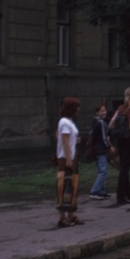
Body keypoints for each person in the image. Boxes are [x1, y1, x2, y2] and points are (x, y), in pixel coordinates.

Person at [56, 97, 82, 227]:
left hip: (72, 155)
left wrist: (75, 140)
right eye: (76, 107)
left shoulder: (69, 121)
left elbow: (64, 138)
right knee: (64, 185)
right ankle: (62, 217)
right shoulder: (65, 122)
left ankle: (71, 213)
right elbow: (64, 140)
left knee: (72, 185)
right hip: (66, 158)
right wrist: (69, 159)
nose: (78, 109)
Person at [89, 101, 115, 200]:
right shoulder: (100, 122)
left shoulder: (94, 121)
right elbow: (104, 138)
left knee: (101, 170)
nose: (104, 112)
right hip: (101, 150)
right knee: (103, 172)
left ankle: (102, 191)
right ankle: (94, 191)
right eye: (102, 111)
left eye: (105, 110)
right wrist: (109, 146)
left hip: (96, 149)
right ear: (97, 112)